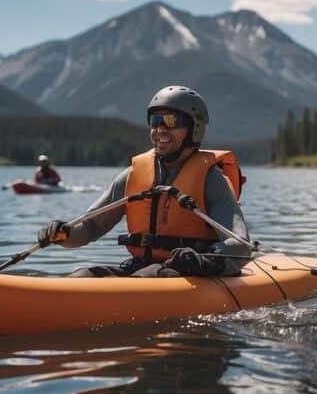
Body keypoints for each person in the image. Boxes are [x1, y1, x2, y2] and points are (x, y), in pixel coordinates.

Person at [36, 85, 251, 278]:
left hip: (185, 272)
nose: (160, 129)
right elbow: (91, 226)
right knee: (82, 275)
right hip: (140, 267)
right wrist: (63, 233)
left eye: (171, 121)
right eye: (155, 121)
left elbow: (240, 244)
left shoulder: (211, 179)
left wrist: (204, 260)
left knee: (149, 275)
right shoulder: (131, 175)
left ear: (194, 128)